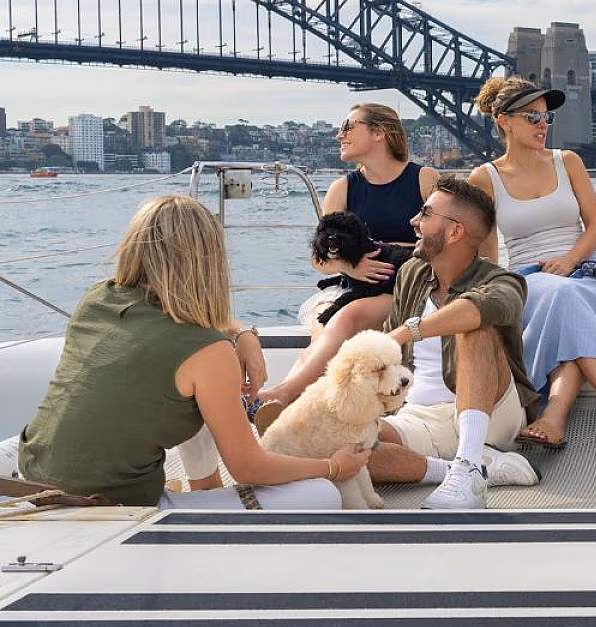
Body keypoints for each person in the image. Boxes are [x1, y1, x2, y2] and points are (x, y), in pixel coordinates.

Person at [15, 195, 369, 509]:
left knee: (197, 396)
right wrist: (335, 467)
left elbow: (183, 317)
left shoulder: (98, 297)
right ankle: (202, 501)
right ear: (207, 259)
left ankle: (204, 487)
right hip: (111, 505)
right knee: (322, 494)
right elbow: (249, 468)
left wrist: (243, 333)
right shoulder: (208, 352)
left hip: (32, 475)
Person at [467, 77, 596, 448]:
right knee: (559, 297)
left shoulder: (567, 161)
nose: (543, 126)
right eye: (532, 118)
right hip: (527, 281)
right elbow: (487, 253)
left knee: (566, 303)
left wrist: (570, 260)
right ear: (504, 121)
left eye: (546, 117)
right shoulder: (484, 178)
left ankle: (553, 416)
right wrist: (488, 302)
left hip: (585, 276)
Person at [367, 175, 542, 509]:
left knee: (474, 326)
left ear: (454, 231)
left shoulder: (504, 282)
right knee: (344, 447)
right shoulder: (412, 273)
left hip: (493, 415)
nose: (413, 221)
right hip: (419, 415)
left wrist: (406, 332)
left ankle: (470, 464)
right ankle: (465, 469)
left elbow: (477, 310)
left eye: (426, 214)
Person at [260, 103, 437, 420]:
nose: (338, 134)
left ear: (379, 133)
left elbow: (447, 239)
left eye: (348, 126)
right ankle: (324, 406)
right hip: (348, 285)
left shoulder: (423, 179)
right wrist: (350, 266)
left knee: (342, 319)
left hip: (403, 287)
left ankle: (284, 396)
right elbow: (320, 261)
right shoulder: (343, 188)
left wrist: (399, 249)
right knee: (322, 322)